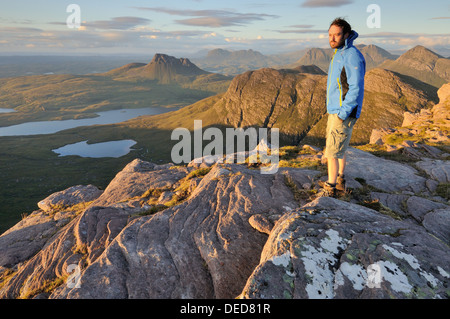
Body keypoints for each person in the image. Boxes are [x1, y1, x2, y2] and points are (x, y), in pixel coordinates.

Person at [319, 18, 366, 197]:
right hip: (336, 109)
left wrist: (342, 113)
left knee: (332, 151)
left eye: (336, 35)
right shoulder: (338, 52)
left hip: (342, 111)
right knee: (340, 148)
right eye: (330, 35)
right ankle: (339, 179)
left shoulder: (351, 54)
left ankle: (330, 187)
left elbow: (355, 87)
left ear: (346, 35)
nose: (332, 38)